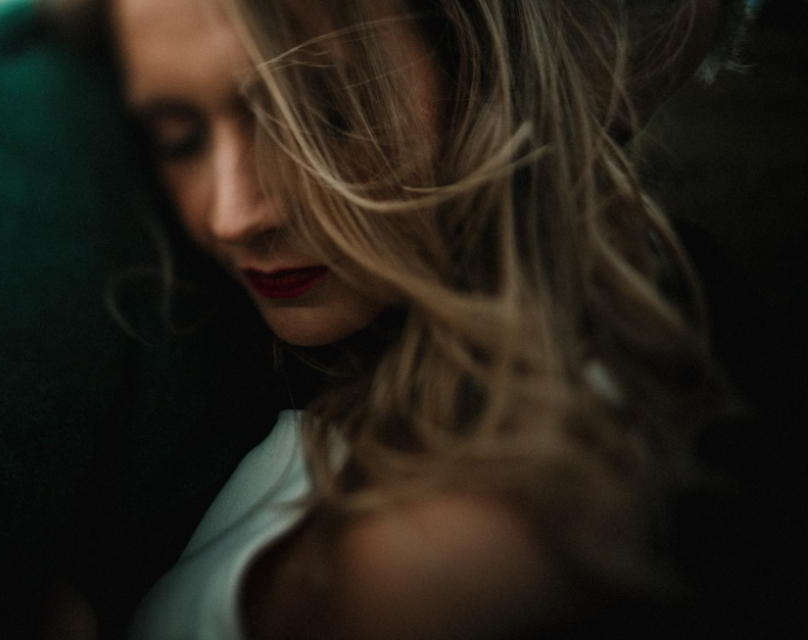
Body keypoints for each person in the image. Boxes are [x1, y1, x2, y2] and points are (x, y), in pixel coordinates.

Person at [50, 0, 749, 638]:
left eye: (325, 115)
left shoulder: (465, 547)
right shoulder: (350, 352)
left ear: (483, 76)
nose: (232, 216)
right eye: (179, 139)